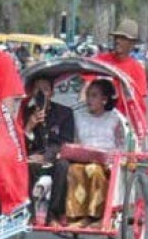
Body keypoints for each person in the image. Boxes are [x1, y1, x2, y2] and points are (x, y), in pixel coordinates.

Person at [49, 79, 124, 228]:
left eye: (94, 96)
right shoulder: (78, 116)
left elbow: (122, 143)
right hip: (81, 157)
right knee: (71, 169)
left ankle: (94, 215)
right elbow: (72, 139)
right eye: (88, 95)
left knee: (94, 170)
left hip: (105, 161)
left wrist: (113, 156)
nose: (89, 99)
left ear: (104, 99)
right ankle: (73, 214)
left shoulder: (116, 118)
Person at [21, 76, 75, 222]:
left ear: (52, 93)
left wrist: (47, 156)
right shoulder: (26, 113)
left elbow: (66, 142)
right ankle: (29, 213)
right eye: (38, 90)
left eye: (45, 90)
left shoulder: (65, 113)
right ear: (32, 93)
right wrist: (29, 127)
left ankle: (54, 213)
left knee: (63, 166)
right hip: (34, 158)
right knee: (24, 165)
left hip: (56, 157)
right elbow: (20, 144)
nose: (41, 94)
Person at [95, 19, 148, 117]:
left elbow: (137, 102)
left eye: (123, 38)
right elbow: (86, 86)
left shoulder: (137, 69)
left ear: (132, 43)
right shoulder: (99, 61)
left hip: (122, 120)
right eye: (116, 37)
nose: (117, 41)